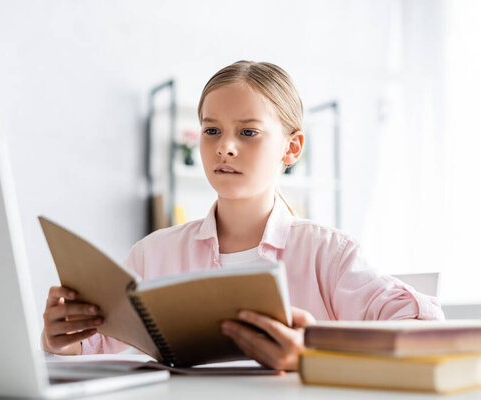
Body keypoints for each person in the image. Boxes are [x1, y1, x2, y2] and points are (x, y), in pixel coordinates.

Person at [41, 61, 444, 370]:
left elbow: (427, 331)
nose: (225, 148)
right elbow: (93, 350)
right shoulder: (153, 254)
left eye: (248, 132)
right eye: (211, 131)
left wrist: (312, 351)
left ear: (292, 149)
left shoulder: (327, 254)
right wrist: (61, 339)